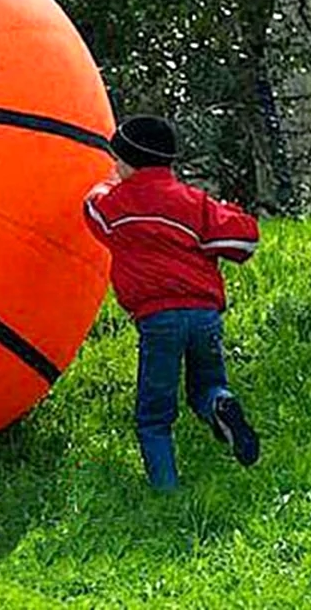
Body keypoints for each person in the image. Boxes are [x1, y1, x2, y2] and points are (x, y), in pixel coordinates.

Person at [83, 115, 261, 490]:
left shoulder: (118, 203)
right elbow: (243, 243)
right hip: (204, 316)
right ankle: (220, 406)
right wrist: (230, 210)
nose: (114, 166)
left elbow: (92, 209)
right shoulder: (194, 203)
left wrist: (107, 185)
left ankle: (168, 493)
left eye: (118, 160)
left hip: (157, 319)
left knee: (154, 416)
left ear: (129, 163)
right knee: (206, 386)